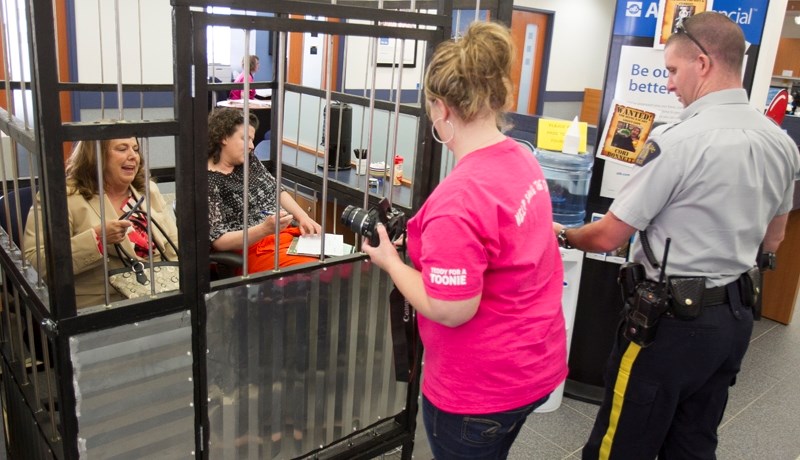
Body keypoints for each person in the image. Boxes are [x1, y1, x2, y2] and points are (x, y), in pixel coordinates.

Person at [553, 12, 800, 459]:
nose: (668, 84)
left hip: (668, 325)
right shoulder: (779, 142)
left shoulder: (680, 140)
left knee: (620, 444)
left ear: (702, 63)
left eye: (671, 70)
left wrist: (566, 235)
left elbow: (610, 236)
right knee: (693, 442)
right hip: (734, 318)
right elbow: (774, 240)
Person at [362, 21, 567, 459]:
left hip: (479, 389)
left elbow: (450, 309)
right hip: (534, 364)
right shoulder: (522, 159)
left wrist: (392, 264)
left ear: (441, 108)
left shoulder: (458, 201)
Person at [23, 137, 179, 309]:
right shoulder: (62, 197)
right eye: (122, 149)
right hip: (100, 305)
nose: (133, 156)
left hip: (159, 295)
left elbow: (175, 246)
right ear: (96, 156)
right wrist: (96, 239)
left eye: (135, 149)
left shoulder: (148, 190)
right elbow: (35, 265)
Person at [207, 107, 322, 273]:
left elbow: (275, 189)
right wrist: (264, 229)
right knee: (316, 270)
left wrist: (303, 217)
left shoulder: (248, 161)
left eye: (252, 140)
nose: (251, 146)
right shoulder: (209, 180)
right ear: (224, 137)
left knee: (341, 259)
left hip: (284, 234)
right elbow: (218, 241)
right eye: (245, 139)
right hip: (253, 248)